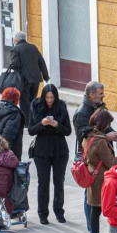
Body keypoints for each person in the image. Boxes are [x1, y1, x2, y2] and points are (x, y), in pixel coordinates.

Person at [73, 81, 117, 233]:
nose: (104, 95)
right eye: (101, 93)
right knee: (91, 198)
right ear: (91, 95)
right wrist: (105, 136)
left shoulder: (100, 107)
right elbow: (83, 134)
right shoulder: (82, 112)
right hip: (89, 159)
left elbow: (105, 126)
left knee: (96, 199)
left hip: (100, 155)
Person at [83, 109, 117, 233]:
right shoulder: (100, 141)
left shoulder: (88, 136)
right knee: (108, 210)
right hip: (101, 181)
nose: (109, 126)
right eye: (108, 123)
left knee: (95, 212)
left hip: (92, 177)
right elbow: (111, 162)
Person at [28, 83, 72, 224]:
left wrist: (57, 125)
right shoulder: (36, 107)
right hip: (41, 151)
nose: (49, 100)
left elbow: (68, 130)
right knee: (43, 183)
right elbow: (31, 130)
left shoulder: (62, 107)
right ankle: (43, 213)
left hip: (59, 151)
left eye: (52, 97)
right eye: (47, 97)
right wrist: (42, 124)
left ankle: (59, 211)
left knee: (59, 182)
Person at [10, 31, 50, 121]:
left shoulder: (15, 49)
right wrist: (45, 76)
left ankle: (27, 121)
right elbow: (41, 62)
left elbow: (15, 64)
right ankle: (34, 119)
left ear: (16, 40)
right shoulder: (33, 47)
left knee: (24, 101)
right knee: (32, 100)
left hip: (24, 80)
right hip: (36, 79)